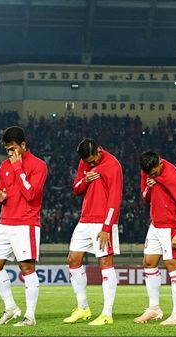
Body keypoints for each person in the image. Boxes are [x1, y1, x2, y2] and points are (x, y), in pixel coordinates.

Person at [0, 127, 48, 327]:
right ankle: (11, 307)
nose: (10, 153)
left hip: (26, 223)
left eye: (13, 149)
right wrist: (1, 197)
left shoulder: (38, 166)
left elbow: (31, 195)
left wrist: (18, 168)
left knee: (26, 267)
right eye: (7, 150)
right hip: (5, 221)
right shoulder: (3, 166)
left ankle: (30, 316)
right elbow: (0, 190)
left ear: (23, 145)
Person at [63, 138, 122, 326]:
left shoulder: (112, 165)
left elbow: (115, 197)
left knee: (105, 262)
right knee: (73, 259)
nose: (91, 164)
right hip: (85, 218)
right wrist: (84, 180)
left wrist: (106, 228)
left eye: (93, 160)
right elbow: (76, 188)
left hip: (103, 220)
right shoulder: (85, 162)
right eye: (87, 162)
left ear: (99, 150)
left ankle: (107, 313)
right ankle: (83, 308)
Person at [134, 152, 176, 326]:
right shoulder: (147, 171)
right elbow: (145, 198)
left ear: (160, 163)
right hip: (155, 225)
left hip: (171, 227)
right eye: (148, 174)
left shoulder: (172, 175)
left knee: (171, 265)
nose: (151, 176)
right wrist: (150, 186)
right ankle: (154, 308)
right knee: (149, 263)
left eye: (154, 173)